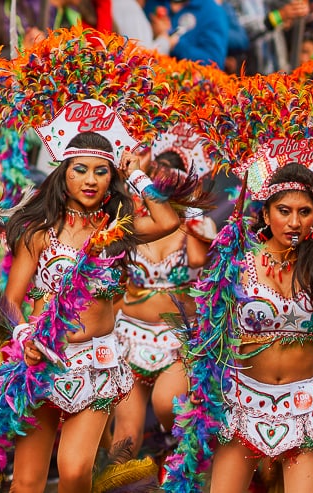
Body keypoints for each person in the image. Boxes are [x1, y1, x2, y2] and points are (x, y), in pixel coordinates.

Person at [0, 129, 179, 492]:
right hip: (42, 361)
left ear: (112, 177)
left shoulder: (118, 230)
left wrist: (138, 175)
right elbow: (10, 301)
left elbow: (167, 221)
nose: (91, 179)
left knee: (76, 470)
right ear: (63, 174)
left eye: (101, 171)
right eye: (80, 169)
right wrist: (23, 338)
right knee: (26, 483)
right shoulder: (40, 232)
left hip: (96, 364)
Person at [201, 161, 313, 492]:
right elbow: (207, 333)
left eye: (305, 211)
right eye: (284, 210)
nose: (294, 222)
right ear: (267, 212)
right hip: (245, 402)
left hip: (306, 403)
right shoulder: (238, 264)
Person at [111, 149, 209, 457]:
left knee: (169, 407)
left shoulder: (196, 229)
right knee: (125, 436)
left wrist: (193, 209)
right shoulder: (138, 225)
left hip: (177, 342)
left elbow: (197, 260)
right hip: (129, 336)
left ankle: (177, 460)